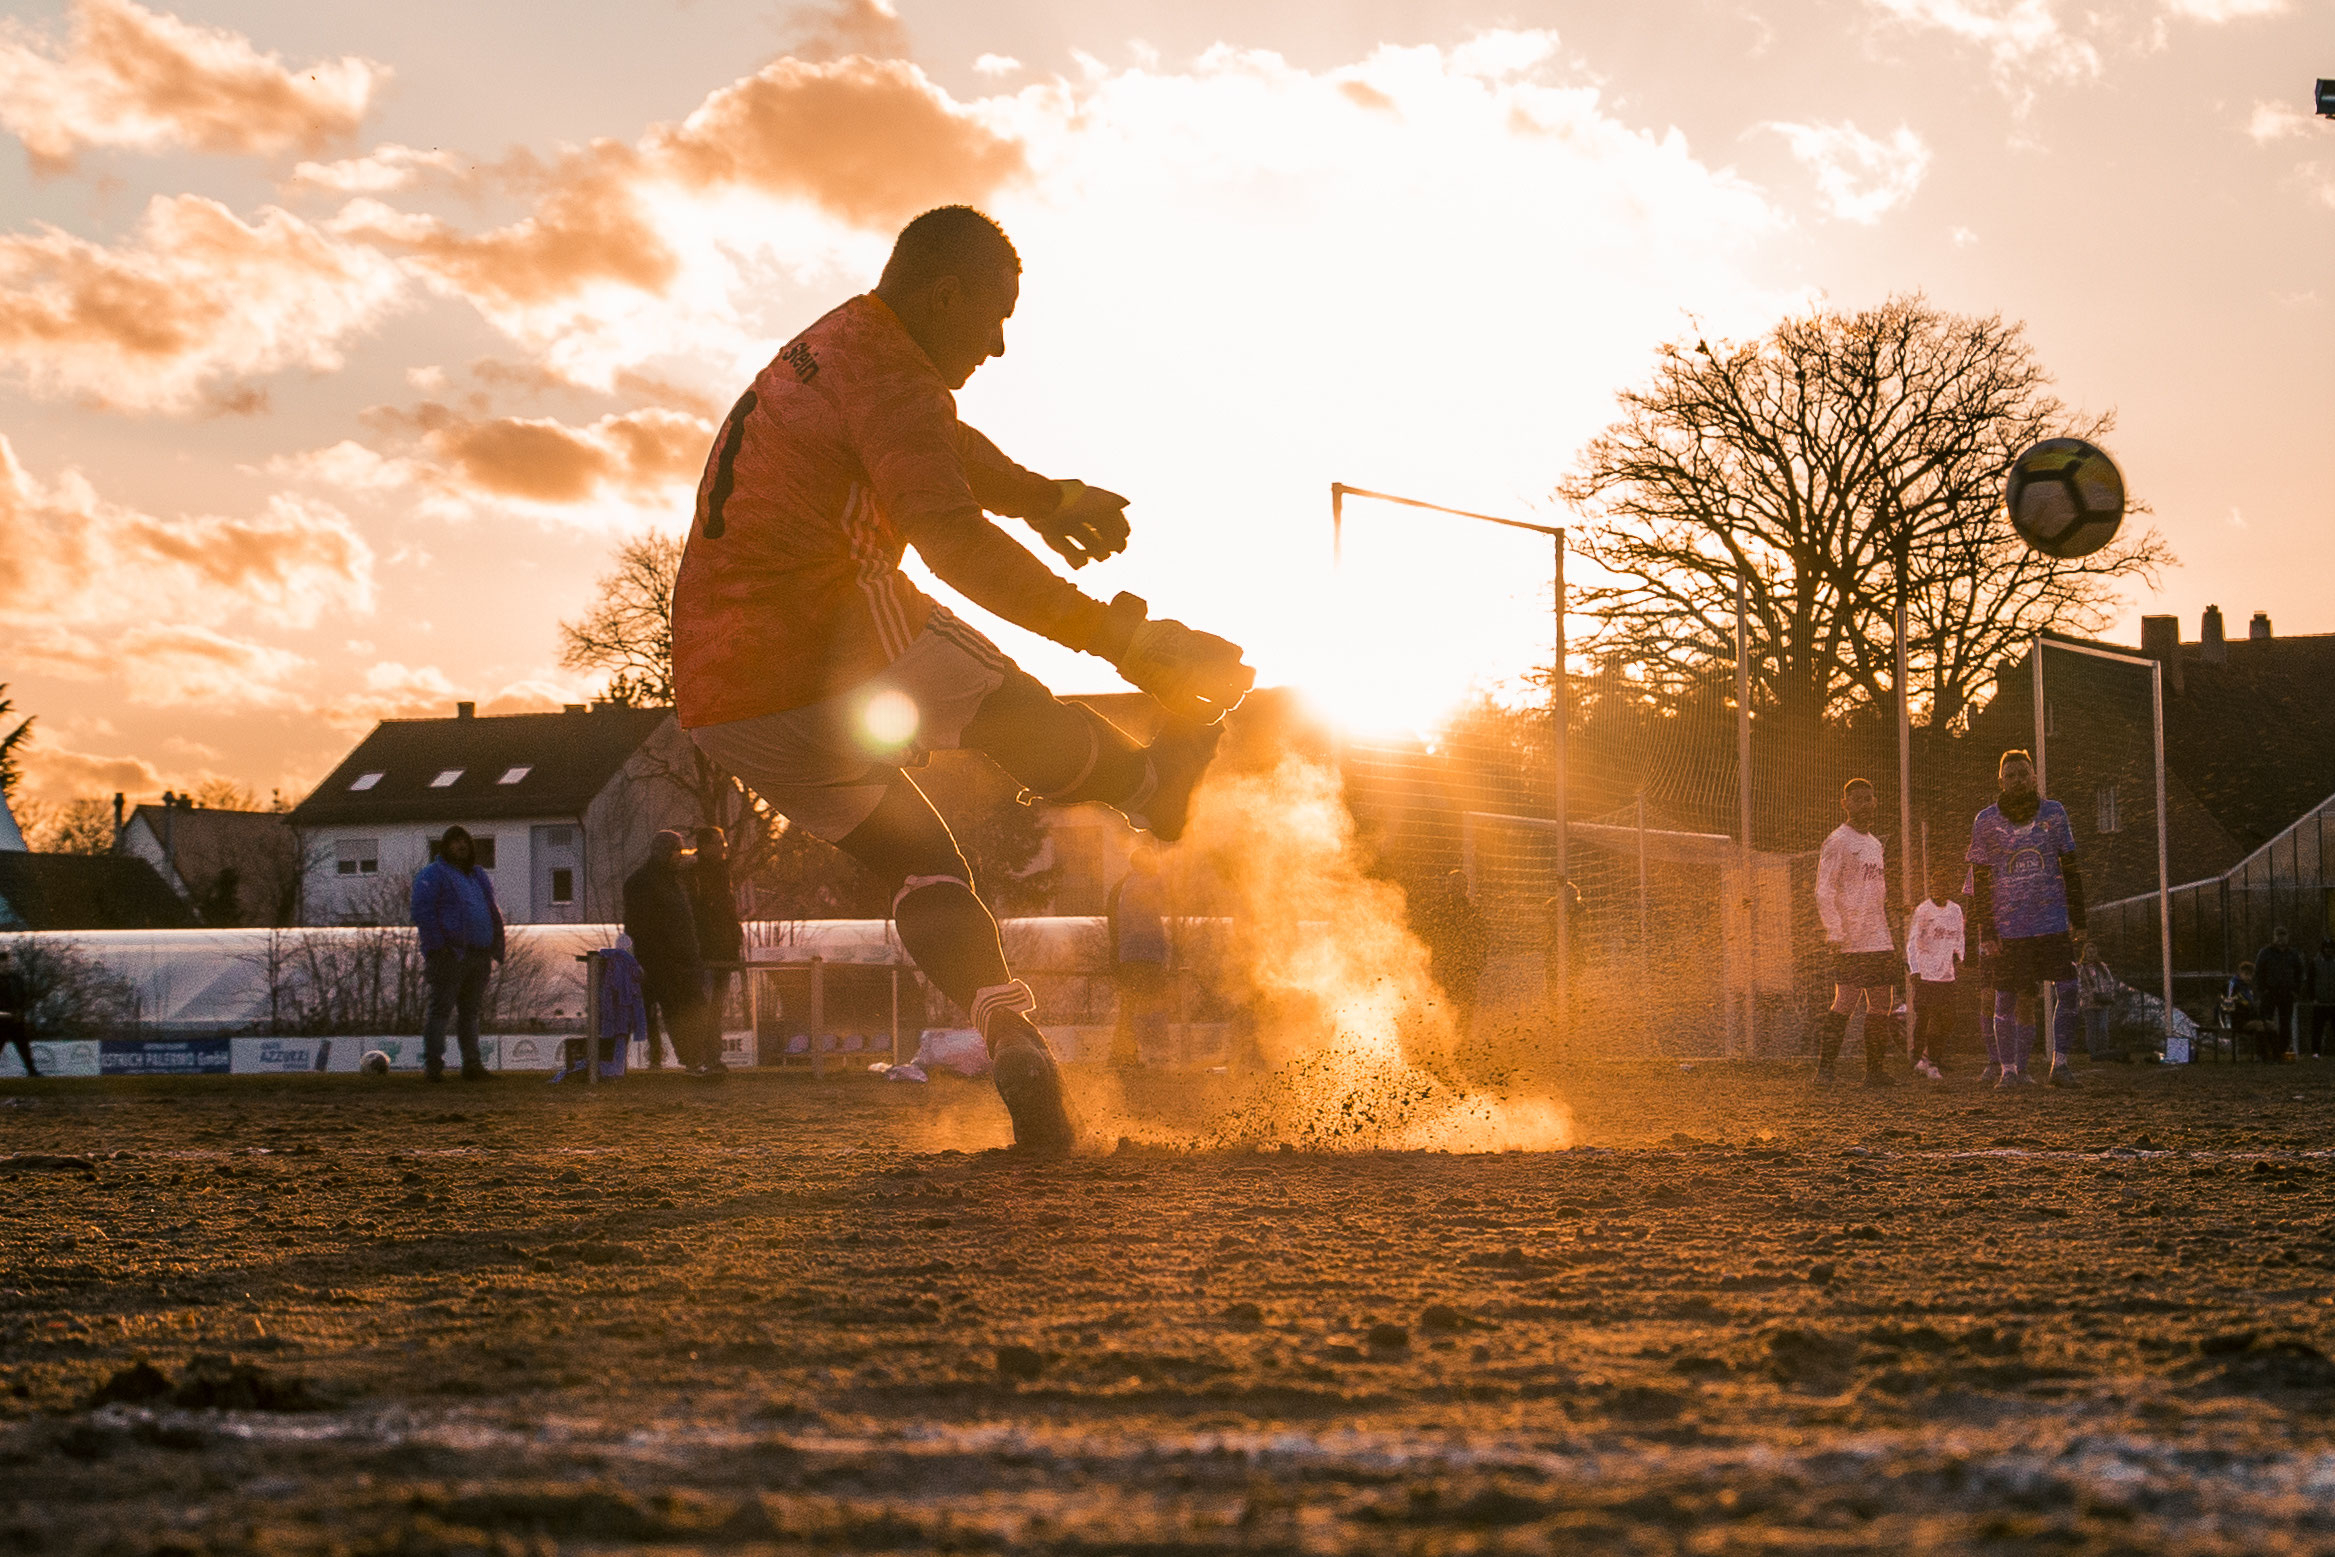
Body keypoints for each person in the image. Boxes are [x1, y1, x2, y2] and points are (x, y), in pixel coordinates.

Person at [670, 206, 1254, 1152]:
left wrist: (1043, 497)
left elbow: (932, 445)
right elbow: (949, 537)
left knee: (923, 864)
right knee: (1002, 698)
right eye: (995, 317)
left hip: (720, 697)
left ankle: (1007, 1029)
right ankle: (1151, 784)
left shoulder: (838, 347)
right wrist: (1120, 639)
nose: (998, 345)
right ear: (945, 295)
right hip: (819, 627)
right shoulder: (893, 375)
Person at [1968, 749, 2086, 1088]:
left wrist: (2080, 920)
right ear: (2001, 781)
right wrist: (1987, 929)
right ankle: (2008, 1071)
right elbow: (1979, 878)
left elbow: (2071, 867)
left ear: (2034, 777)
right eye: (2011, 775)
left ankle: (2060, 1065)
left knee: (2069, 988)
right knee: (2005, 996)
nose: (2018, 780)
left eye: (2023, 774)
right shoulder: (1986, 821)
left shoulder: (2054, 813)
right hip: (2009, 926)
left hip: (2052, 921)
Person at [1814, 778, 1897, 1086]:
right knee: (1845, 1002)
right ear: (1845, 804)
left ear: (1875, 802)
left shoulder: (1875, 844)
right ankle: (1825, 1071)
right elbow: (1824, 890)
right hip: (1850, 939)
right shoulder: (1838, 841)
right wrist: (1834, 930)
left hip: (1879, 937)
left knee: (1881, 1003)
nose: (1864, 804)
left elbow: (1874, 890)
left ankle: (1874, 1072)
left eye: (1869, 799)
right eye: (1857, 799)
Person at [410, 825, 506, 1082]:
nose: (461, 845)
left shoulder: (477, 876)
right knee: (441, 1010)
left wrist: (494, 944)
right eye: (455, 841)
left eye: (465, 841)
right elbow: (423, 912)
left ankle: (472, 1065)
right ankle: (434, 1066)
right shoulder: (433, 874)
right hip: (450, 955)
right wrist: (439, 948)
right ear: (445, 846)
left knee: (470, 1012)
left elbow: (490, 909)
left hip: (479, 953)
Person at [625, 831, 715, 1078]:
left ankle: (691, 1060)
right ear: (665, 852)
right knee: (680, 1011)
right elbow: (641, 927)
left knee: (686, 1010)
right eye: (677, 850)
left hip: (679, 960)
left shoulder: (665, 881)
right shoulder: (654, 883)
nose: (680, 855)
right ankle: (693, 1061)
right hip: (665, 961)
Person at [1105, 841, 1171, 1069]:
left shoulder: (1124, 885)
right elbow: (1169, 890)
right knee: (1152, 1004)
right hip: (1147, 954)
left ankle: (1123, 1055)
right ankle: (1154, 1054)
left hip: (1129, 954)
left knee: (1129, 1005)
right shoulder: (1146, 882)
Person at [691, 825, 746, 1067]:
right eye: (718, 842)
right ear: (705, 846)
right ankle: (708, 1056)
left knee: (714, 1006)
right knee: (709, 1006)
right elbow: (708, 913)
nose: (723, 846)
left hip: (719, 949)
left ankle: (710, 1056)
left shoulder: (716, 873)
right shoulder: (700, 875)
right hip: (711, 950)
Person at [1905, 866, 1964, 1080]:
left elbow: (1959, 937)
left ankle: (1929, 1056)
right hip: (1926, 973)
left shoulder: (1955, 910)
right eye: (1937, 884)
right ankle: (1924, 1060)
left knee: (1947, 1018)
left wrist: (1960, 956)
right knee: (1926, 1017)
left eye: (1944, 884)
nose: (1941, 888)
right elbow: (1912, 942)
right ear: (1931, 887)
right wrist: (1915, 969)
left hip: (1946, 974)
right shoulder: (1923, 910)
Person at [1416, 870, 1490, 1036]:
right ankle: (1451, 1043)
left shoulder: (1445, 913)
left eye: (1458, 886)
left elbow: (1482, 943)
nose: (1455, 889)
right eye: (1453, 885)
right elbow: (1427, 938)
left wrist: (1475, 967)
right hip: (1451, 969)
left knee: (1455, 1011)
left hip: (1459, 970)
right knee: (1448, 1010)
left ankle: (1454, 1044)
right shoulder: (1443, 912)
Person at [2253, 926, 2303, 1063]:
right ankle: (2263, 1052)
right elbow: (2258, 972)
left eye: (2283, 935)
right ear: (2274, 937)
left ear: (2287, 937)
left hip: (2287, 993)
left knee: (2285, 1024)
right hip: (2269, 992)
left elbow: (2299, 972)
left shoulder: (2293, 954)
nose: (2281, 939)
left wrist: (2295, 990)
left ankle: (2281, 1051)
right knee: (2265, 1022)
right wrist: (2263, 990)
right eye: (2278, 935)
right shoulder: (2265, 952)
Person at [2075, 941, 2126, 1061]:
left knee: (2103, 1027)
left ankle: (2104, 1051)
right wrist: (2087, 995)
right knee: (2091, 1029)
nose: (2091, 954)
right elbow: (2078, 985)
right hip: (2089, 1003)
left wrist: (2108, 994)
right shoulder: (2081, 968)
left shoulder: (2102, 966)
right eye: (2089, 952)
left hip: (2103, 1002)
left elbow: (2110, 981)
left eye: (2093, 952)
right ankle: (2093, 1053)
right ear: (2085, 953)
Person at [0, 948, 36, 1078]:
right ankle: (32, 1071)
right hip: (2, 1020)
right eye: (3, 962)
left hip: (16, 1019)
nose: (6, 964)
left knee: (23, 1046)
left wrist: (21, 1011)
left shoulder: (16, 978)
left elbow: (24, 996)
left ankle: (32, 1071)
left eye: (7, 962)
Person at [2223, 961, 2268, 1060]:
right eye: (2246, 974)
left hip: (2247, 1017)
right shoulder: (2232, 985)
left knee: (2270, 1024)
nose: (2249, 978)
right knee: (2260, 1026)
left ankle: (2274, 1053)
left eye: (2251, 975)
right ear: (2240, 973)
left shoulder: (2247, 988)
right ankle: (2261, 1055)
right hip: (2236, 1020)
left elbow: (2249, 1004)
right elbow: (2228, 1006)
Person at [2309, 938, 2335, 1059]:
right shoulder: (2315, 962)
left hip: (2333, 1001)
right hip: (2319, 1002)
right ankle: (2315, 1053)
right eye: (2327, 948)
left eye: (2331, 948)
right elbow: (2310, 981)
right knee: (2317, 1029)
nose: (2329, 950)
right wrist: (2312, 998)